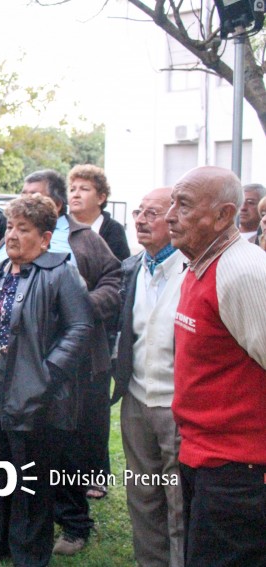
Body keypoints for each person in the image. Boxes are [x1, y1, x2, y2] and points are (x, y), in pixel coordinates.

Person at [0, 194, 93, 567]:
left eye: (24, 229)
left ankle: (29, 552)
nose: (13, 235)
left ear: (46, 238)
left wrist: (46, 375)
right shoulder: (0, 270)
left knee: (27, 479)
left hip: (33, 396)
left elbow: (81, 328)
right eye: (10, 227)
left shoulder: (61, 271)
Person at [0, 169, 121, 555]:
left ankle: (74, 523)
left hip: (73, 366)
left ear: (58, 205)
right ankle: (27, 520)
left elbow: (115, 284)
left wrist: (72, 310)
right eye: (24, 194)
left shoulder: (84, 238)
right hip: (17, 366)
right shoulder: (12, 239)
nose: (29, 201)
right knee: (25, 447)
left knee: (68, 448)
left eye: (38, 196)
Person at [165, 166, 266, 567]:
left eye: (184, 205)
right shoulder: (197, 263)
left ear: (225, 216)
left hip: (240, 471)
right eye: (173, 202)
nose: (170, 214)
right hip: (205, 458)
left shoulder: (242, 272)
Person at [112, 187, 185, 567]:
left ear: (175, 218)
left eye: (151, 213)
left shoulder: (192, 271)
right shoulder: (131, 268)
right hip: (137, 400)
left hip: (179, 406)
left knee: (179, 500)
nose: (140, 220)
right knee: (143, 494)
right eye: (138, 211)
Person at [67, 164, 130, 261]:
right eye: (72, 189)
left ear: (100, 198)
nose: (76, 195)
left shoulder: (114, 231)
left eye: (84, 189)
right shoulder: (58, 227)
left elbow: (119, 270)